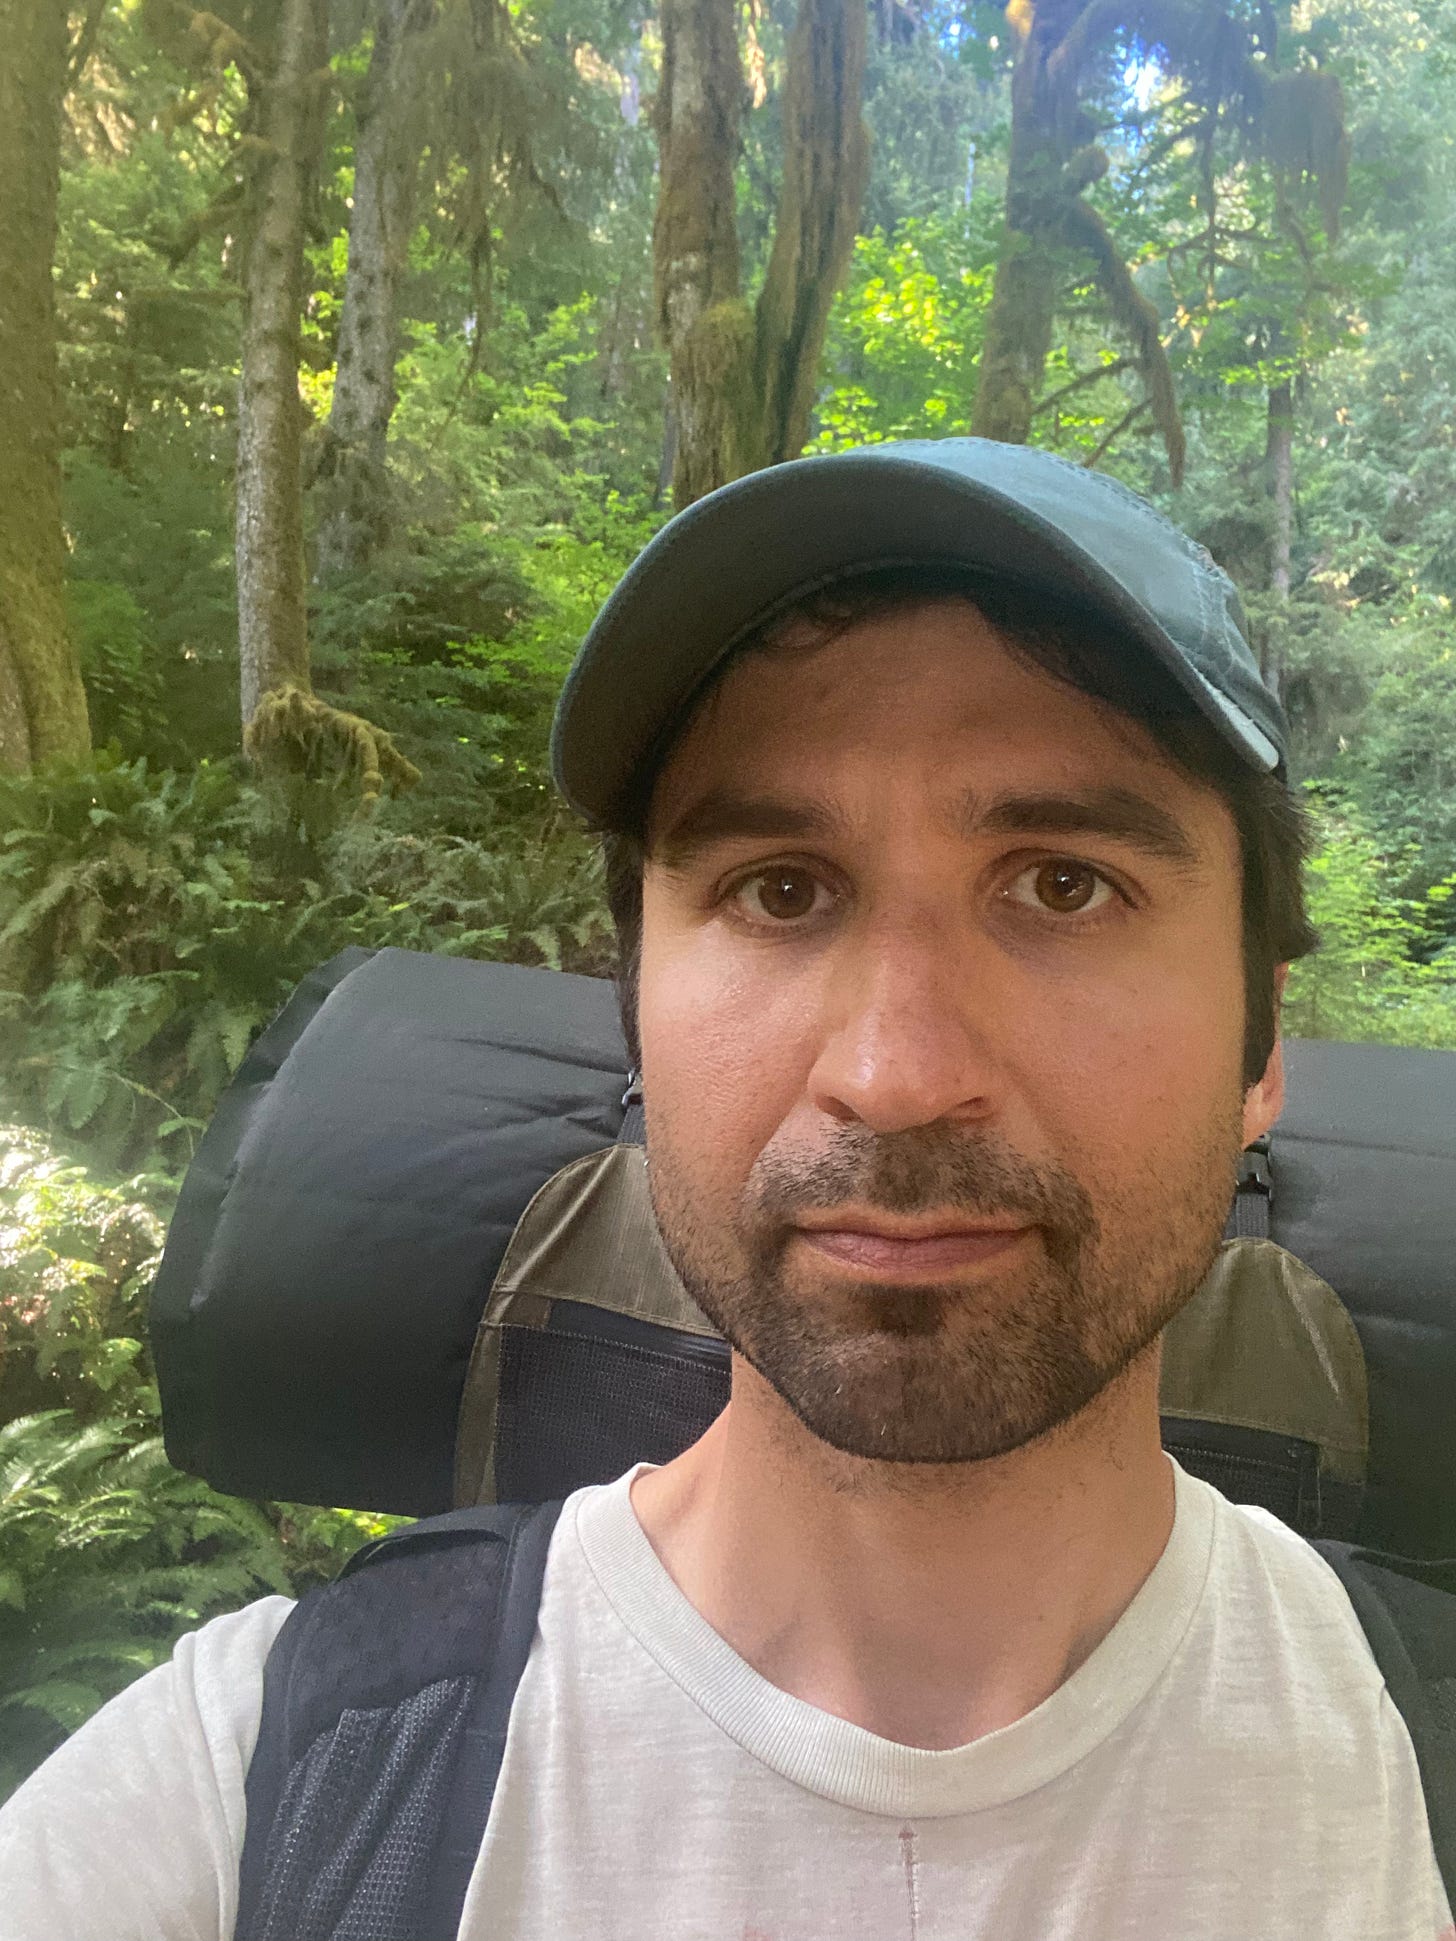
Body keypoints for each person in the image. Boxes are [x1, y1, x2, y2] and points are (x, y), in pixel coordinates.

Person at [1, 437, 1451, 1940]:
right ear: (636, 1016)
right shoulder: (264, 1793)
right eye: (778, 889)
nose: (894, 1074)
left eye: (1064, 884)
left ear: (1262, 1037)